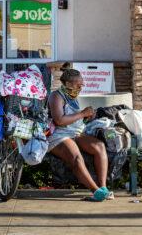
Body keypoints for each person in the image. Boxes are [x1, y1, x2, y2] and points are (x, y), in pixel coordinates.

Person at [47, 67, 111, 201]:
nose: (81, 87)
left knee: (99, 146)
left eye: (82, 85)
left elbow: (73, 118)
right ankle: (96, 191)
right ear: (68, 84)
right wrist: (82, 113)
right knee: (76, 158)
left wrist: (86, 116)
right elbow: (59, 120)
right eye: (78, 85)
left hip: (75, 133)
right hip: (59, 135)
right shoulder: (56, 96)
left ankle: (103, 187)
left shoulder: (73, 96)